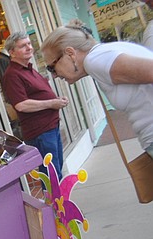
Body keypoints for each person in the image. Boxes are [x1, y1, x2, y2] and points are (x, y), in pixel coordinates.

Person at [42, 20, 153, 159]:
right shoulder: (103, 53)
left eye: (52, 67)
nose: (54, 75)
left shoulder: (96, 60)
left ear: (70, 53)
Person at [1, 31, 69, 176]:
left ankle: (59, 199)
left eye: (29, 44)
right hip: (40, 132)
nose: (29, 48)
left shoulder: (29, 69)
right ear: (12, 52)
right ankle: (55, 200)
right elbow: (21, 105)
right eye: (23, 46)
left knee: (56, 171)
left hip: (51, 127)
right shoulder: (12, 74)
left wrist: (56, 101)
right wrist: (52, 103)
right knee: (52, 175)